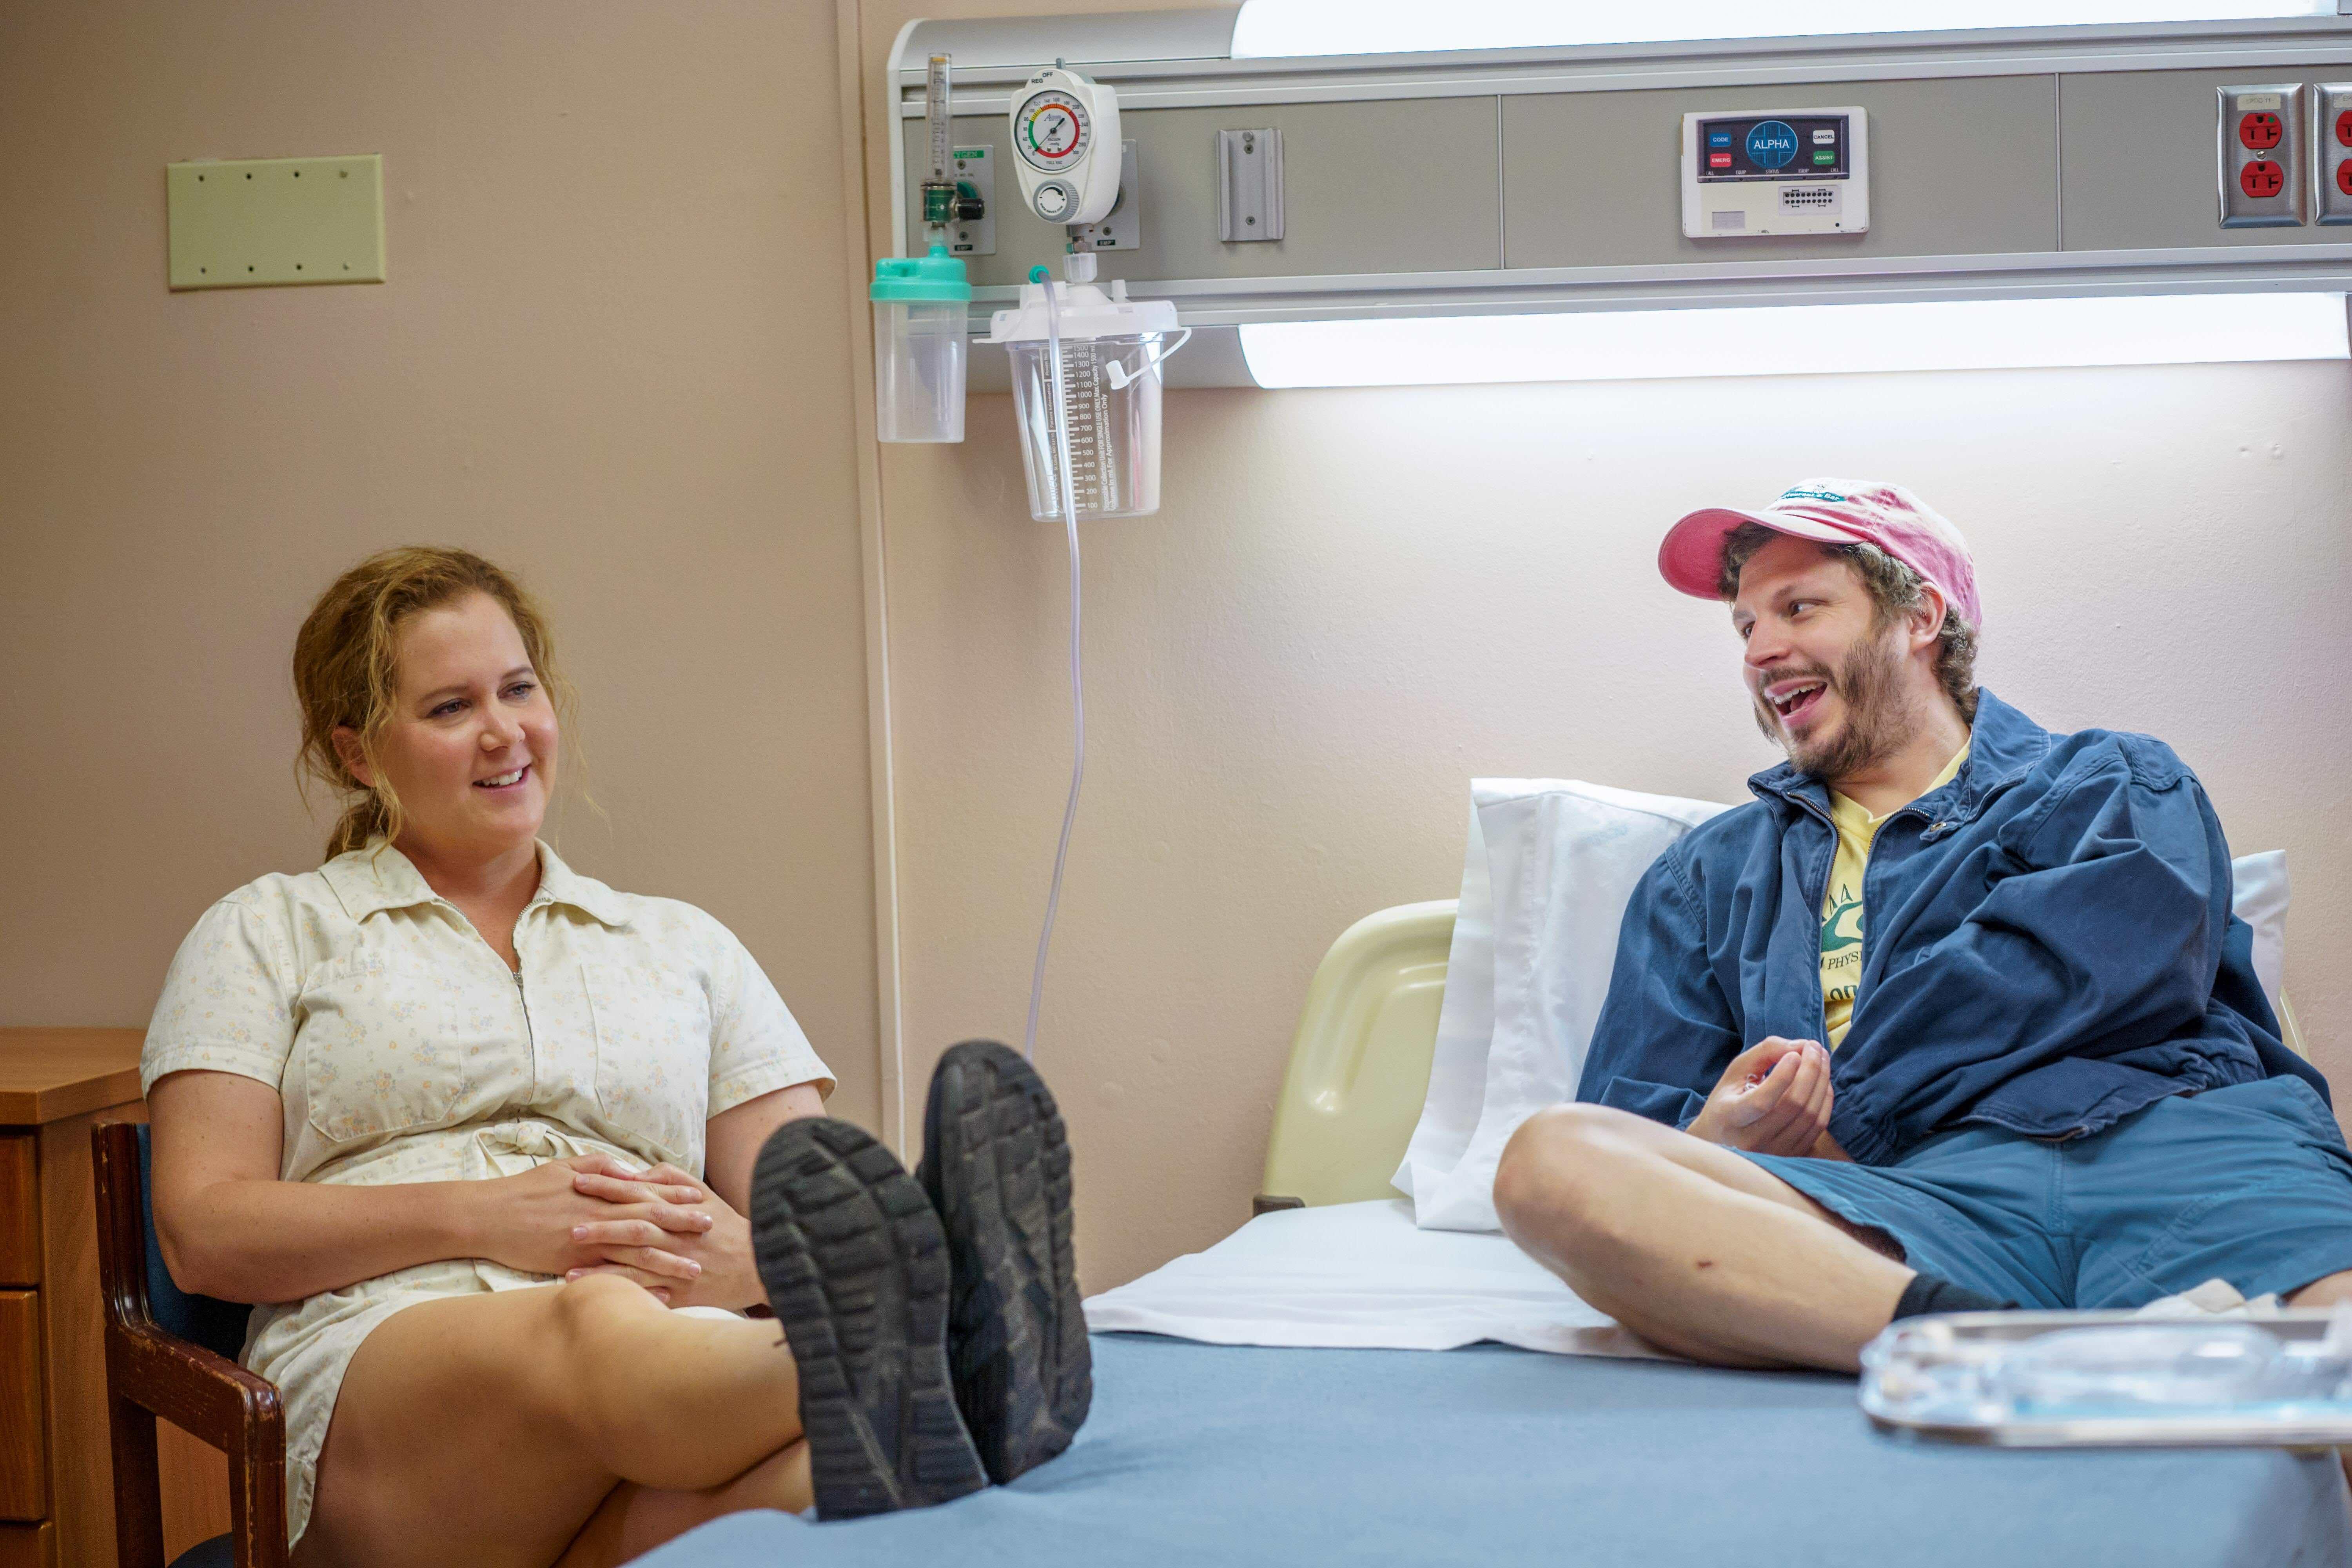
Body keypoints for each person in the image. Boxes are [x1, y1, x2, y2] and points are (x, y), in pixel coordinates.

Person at [144, 547, 1087, 1566]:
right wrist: (490, 1218)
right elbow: (206, 1231)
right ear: (360, 754)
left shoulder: (684, 946)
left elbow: (812, 1199)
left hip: (670, 1374)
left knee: (846, 1480)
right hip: (387, 1394)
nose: (505, 732)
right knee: (593, 1318)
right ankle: (943, 1339)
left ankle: (928, 1370)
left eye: (519, 689)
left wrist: (746, 1259)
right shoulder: (266, 931)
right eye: (451, 708)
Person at [1492, 480, 2352, 1372]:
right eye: (1746, 626)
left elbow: (2092, 964)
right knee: (1552, 1163)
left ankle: (1990, 1346)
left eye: (1799, 607)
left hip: (2179, 1154)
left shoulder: (2108, 780)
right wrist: (1716, 1136)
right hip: (1897, 1209)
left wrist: (1845, 1115)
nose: (1762, 650)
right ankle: (2000, 1357)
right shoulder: (1704, 877)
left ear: (1921, 617)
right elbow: (1635, 1119)